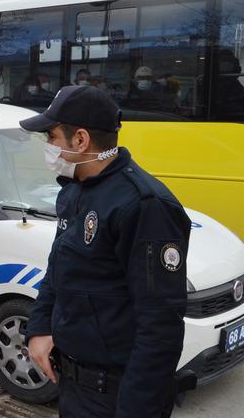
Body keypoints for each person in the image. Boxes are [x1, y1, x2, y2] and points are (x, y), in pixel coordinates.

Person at [21, 86, 191, 418]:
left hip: (114, 397)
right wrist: (40, 326)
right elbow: (58, 270)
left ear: (80, 140)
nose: (49, 147)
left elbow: (160, 327)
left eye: (52, 137)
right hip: (73, 386)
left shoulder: (143, 205)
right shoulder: (75, 191)